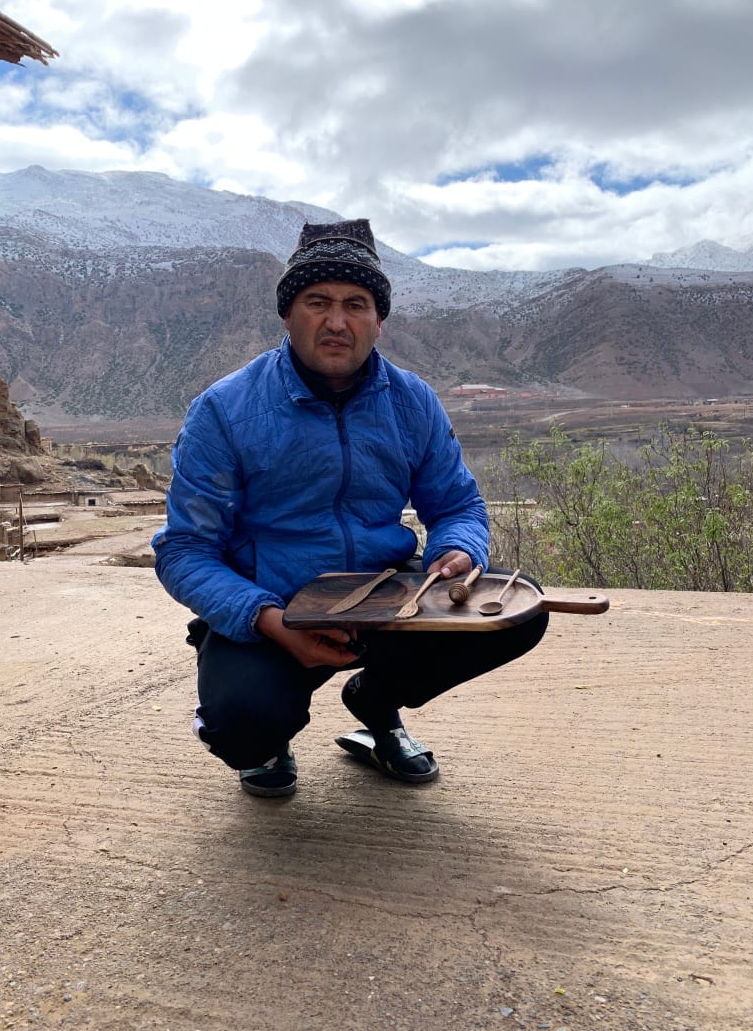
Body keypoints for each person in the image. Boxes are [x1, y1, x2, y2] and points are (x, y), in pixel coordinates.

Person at [152, 219, 547, 797]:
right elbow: (185, 550)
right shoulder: (224, 409)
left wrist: (457, 551)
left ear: (378, 321)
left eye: (356, 304)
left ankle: (375, 704)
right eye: (318, 302)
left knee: (518, 609)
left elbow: (457, 503)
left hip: (388, 599)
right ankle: (267, 734)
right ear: (288, 315)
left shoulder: (412, 400)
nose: (337, 321)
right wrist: (269, 620)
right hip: (276, 608)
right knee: (242, 725)